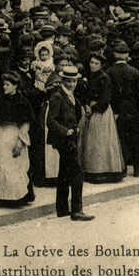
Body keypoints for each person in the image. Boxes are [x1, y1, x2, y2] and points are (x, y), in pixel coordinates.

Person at [47, 65, 94, 221]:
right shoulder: (57, 97)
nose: (71, 84)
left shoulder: (71, 96)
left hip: (71, 138)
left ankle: (62, 209)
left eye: (74, 81)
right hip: (64, 140)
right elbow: (50, 121)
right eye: (68, 81)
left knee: (64, 174)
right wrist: (65, 131)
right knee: (77, 174)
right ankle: (76, 210)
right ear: (63, 81)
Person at [0, 72, 36, 207]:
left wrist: (20, 142)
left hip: (14, 135)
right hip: (0, 135)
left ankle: (15, 197)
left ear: (15, 86)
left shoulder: (22, 102)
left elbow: (26, 123)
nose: (4, 87)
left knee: (14, 166)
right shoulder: (0, 100)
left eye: (7, 85)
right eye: (4, 84)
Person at [107, 40, 139, 177]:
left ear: (115, 55)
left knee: (120, 140)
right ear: (126, 55)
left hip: (117, 111)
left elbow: (108, 93)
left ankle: (122, 168)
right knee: (136, 141)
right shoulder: (134, 72)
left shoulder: (109, 71)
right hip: (134, 111)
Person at [82, 52, 126, 182]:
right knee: (93, 141)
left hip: (102, 112)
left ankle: (104, 171)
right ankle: (93, 170)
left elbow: (106, 98)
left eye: (96, 63)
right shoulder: (91, 77)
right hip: (92, 110)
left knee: (101, 141)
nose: (93, 65)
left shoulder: (104, 78)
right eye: (91, 63)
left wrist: (94, 107)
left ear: (101, 65)